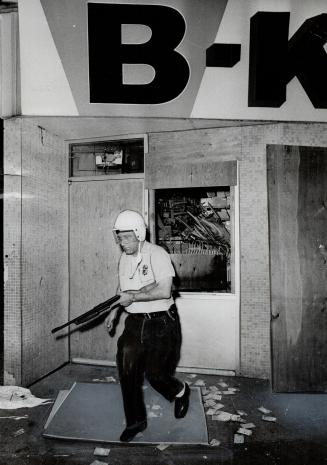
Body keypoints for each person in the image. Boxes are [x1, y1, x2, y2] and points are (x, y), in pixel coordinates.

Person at [106, 209, 190, 442]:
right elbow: (121, 290)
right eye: (119, 238)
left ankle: (181, 392)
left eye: (126, 238)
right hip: (134, 323)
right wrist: (114, 312)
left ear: (139, 234)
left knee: (156, 376)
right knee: (127, 370)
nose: (122, 243)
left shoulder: (158, 254)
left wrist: (132, 298)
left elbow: (164, 290)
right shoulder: (124, 258)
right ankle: (136, 422)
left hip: (161, 323)